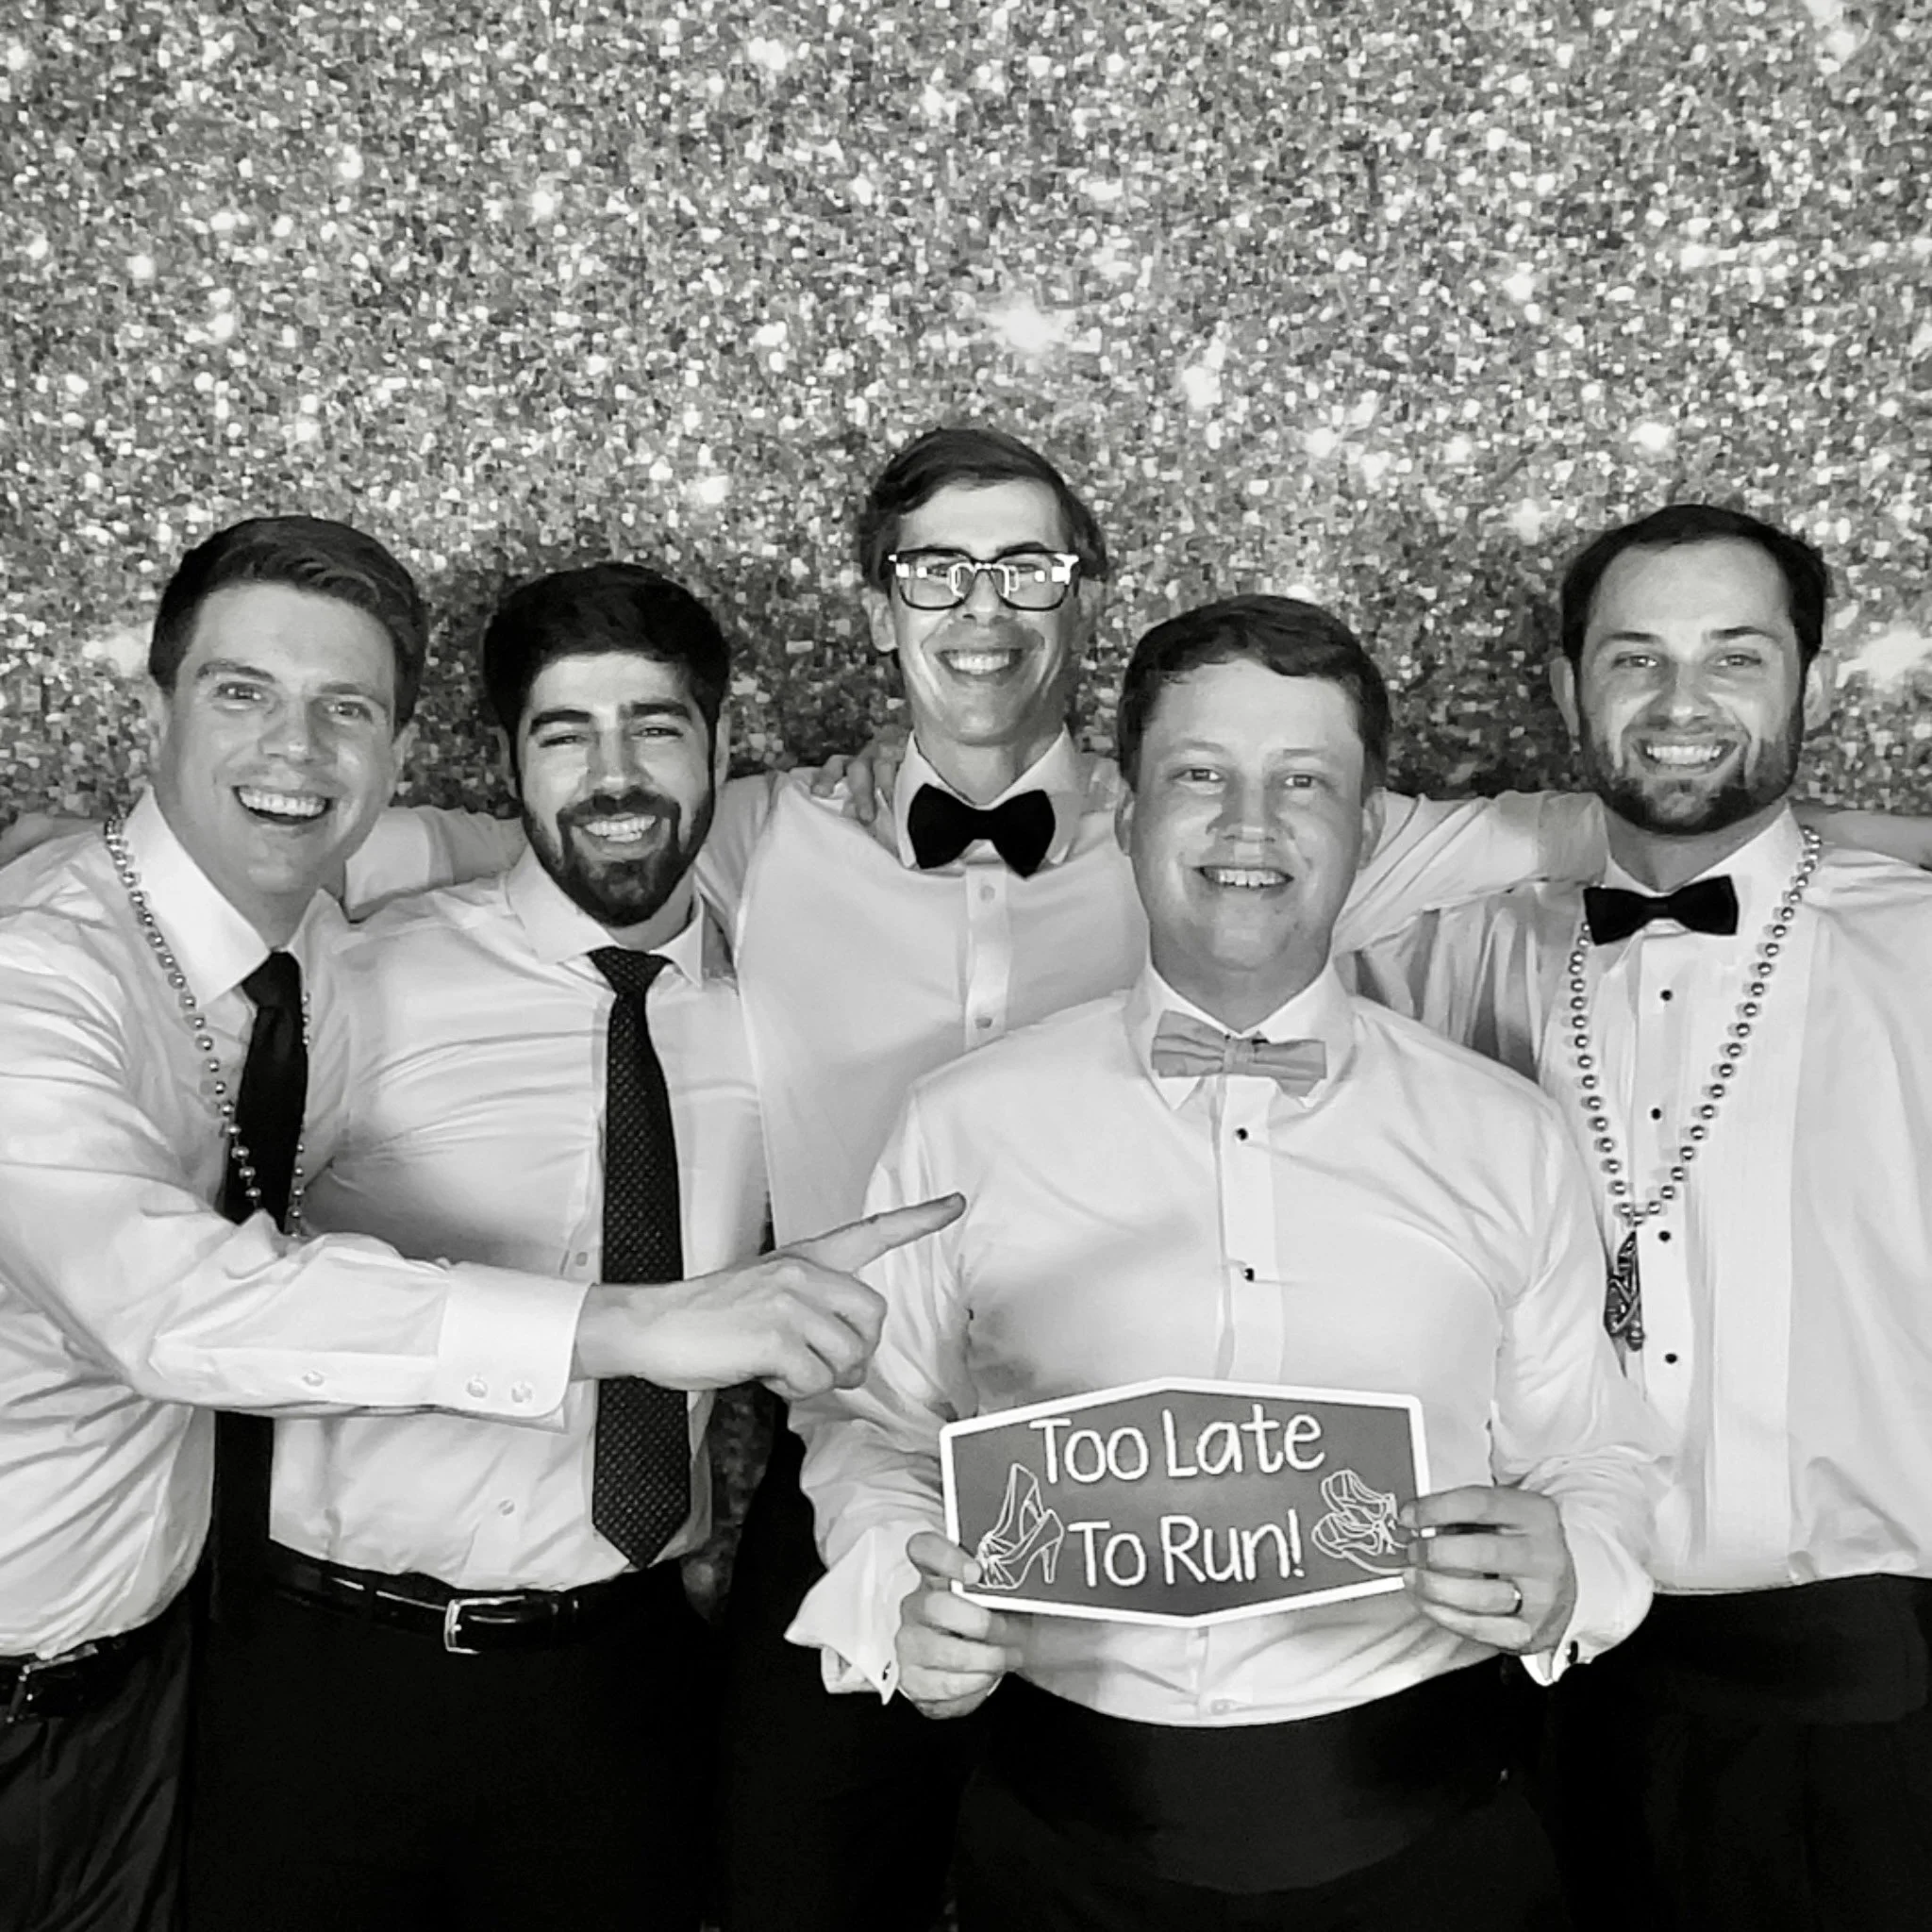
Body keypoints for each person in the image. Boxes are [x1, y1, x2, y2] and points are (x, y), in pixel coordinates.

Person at [0, 519, 948, 1932]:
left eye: (657, 730)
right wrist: (633, 1327)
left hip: (612, 1673)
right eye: (563, 734)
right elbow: (182, 1292)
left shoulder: (790, 1003)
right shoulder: (352, 965)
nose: (614, 775)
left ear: (720, 742)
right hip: (315, 1664)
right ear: (506, 757)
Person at [792, 592, 1665, 1931]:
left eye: (1302, 781)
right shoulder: (961, 1121)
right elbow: (878, 1429)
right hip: (1061, 1836)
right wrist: (898, 1589)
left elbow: (1592, 1459)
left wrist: (1576, 1573)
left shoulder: (1505, 1130)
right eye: (1200, 775)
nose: (1249, 826)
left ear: (1366, 828)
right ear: (1130, 813)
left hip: (1429, 1831)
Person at [1351, 502, 1932, 1931]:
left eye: (1736, 658)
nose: (1682, 705)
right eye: (1632, 660)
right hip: (1536, 1676)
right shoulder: (1466, 940)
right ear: (1564, 687)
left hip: (1860, 1682)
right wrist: (1562, 827)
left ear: (1813, 678)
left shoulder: (1918, 946)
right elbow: (1247, 876)